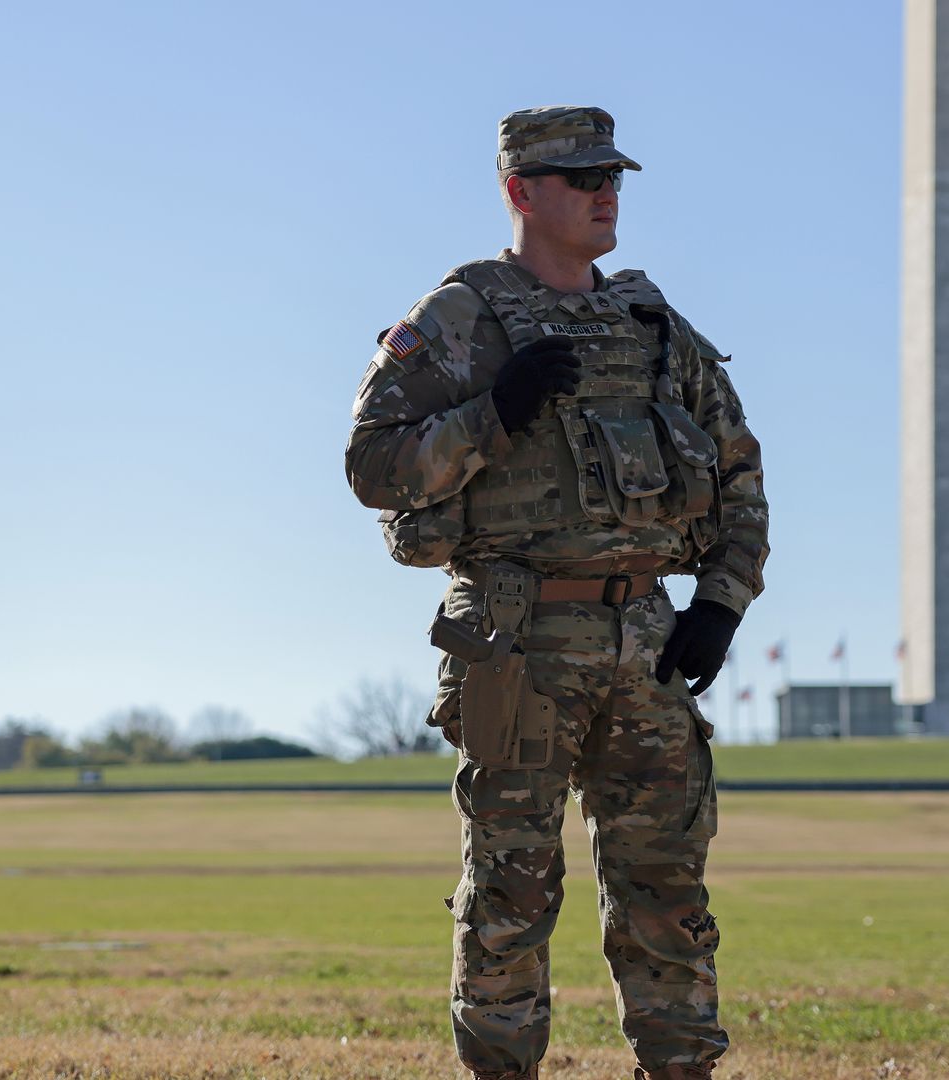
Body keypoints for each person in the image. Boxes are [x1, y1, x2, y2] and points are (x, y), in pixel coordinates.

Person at [346, 107, 769, 1080]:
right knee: (510, 890)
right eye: (580, 178)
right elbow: (372, 468)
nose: (604, 193)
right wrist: (492, 413)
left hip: (650, 641)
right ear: (519, 192)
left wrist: (719, 604)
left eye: (612, 175)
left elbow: (740, 475)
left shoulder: (655, 326)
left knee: (668, 886)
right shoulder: (461, 320)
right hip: (518, 641)